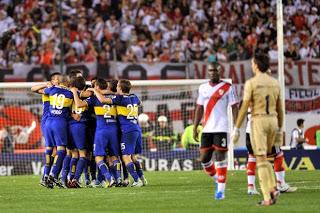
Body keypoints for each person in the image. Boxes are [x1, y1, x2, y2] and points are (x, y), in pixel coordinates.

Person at [232, 52, 283, 206]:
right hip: (273, 120)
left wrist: (236, 128)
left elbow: (244, 108)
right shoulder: (275, 83)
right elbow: (280, 108)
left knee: (259, 159)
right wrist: (280, 127)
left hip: (259, 121)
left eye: (253, 63)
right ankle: (273, 187)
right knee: (268, 157)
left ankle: (268, 196)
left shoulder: (252, 83)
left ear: (256, 65)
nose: (252, 66)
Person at [193, 62, 239, 200]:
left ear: (220, 71)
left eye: (215, 70)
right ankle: (218, 179)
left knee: (220, 157)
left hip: (221, 127)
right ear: (208, 72)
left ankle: (220, 191)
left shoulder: (228, 88)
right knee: (204, 159)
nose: (212, 73)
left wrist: (236, 127)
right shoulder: (203, 88)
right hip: (206, 129)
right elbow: (199, 108)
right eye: (210, 70)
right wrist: (195, 127)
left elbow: (235, 107)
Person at [245, 107, 297, 195]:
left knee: (252, 156)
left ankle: (251, 187)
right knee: (278, 154)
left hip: (249, 132)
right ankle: (280, 184)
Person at [31, 72, 61, 188]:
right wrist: (45, 84)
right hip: (47, 122)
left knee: (57, 150)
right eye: (57, 79)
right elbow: (33, 89)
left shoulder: (61, 91)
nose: (58, 81)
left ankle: (49, 176)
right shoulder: (47, 90)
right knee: (53, 149)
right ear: (52, 80)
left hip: (57, 122)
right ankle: (46, 175)